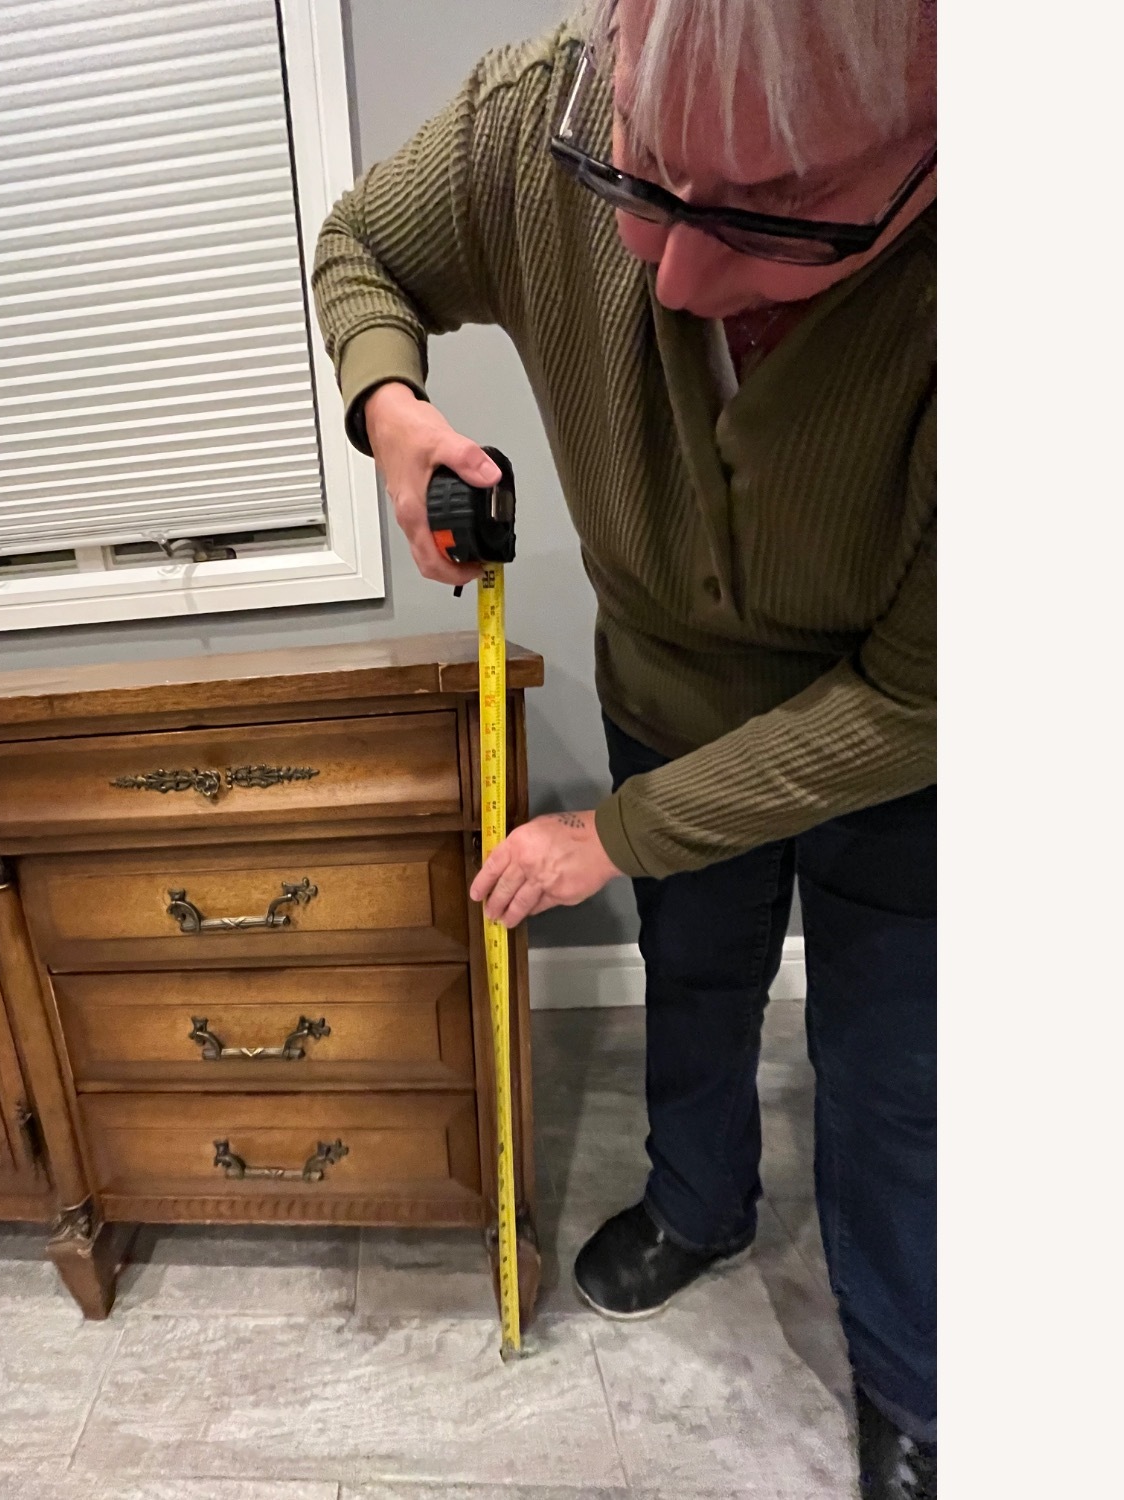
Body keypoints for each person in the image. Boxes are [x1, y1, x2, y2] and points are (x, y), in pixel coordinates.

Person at [312, 1, 937, 1495]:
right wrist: (391, 412)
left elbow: (926, 697)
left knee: (896, 1066)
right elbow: (363, 246)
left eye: (774, 222)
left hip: (906, 740)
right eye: (643, 185)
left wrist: (614, 834)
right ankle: (699, 1203)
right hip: (668, 692)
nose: (671, 269)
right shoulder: (543, 116)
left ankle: (915, 1376)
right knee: (698, 978)